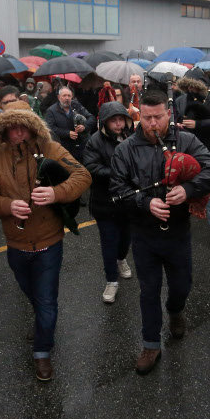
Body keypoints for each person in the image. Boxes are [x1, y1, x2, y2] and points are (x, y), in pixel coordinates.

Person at [110, 90, 210, 374]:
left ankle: (175, 310)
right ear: (139, 117)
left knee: (182, 285)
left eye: (158, 117)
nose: (153, 124)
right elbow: (117, 190)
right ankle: (150, 344)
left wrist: (188, 189)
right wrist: (146, 203)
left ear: (168, 114)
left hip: (177, 232)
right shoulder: (125, 150)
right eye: (146, 118)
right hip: (144, 234)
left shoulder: (185, 140)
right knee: (148, 290)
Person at [0, 108, 91, 381]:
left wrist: (56, 192)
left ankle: (42, 352)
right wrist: (7, 206)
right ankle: (43, 320)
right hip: (15, 243)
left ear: (33, 127)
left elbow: (83, 176)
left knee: (46, 299)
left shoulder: (50, 148)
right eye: (12, 128)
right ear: (3, 130)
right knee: (31, 292)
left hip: (49, 241)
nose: (18, 132)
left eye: (24, 127)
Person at [83, 101, 134, 304]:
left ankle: (122, 259)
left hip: (128, 201)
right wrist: (118, 173)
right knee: (109, 242)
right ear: (105, 122)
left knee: (125, 239)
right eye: (114, 120)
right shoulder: (94, 141)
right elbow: (91, 167)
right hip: (105, 202)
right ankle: (111, 280)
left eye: (121, 119)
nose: (119, 124)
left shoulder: (131, 138)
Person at [175, 76, 210, 248]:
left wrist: (198, 124)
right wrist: (177, 125)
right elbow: (176, 118)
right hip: (188, 149)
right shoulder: (180, 99)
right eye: (188, 88)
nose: (191, 91)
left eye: (194, 88)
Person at [45, 86, 96, 163]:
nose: (67, 98)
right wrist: (67, 133)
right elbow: (50, 128)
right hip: (63, 148)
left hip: (81, 147)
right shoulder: (51, 110)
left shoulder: (77, 105)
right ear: (59, 97)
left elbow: (91, 118)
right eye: (64, 96)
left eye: (69, 96)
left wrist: (84, 126)